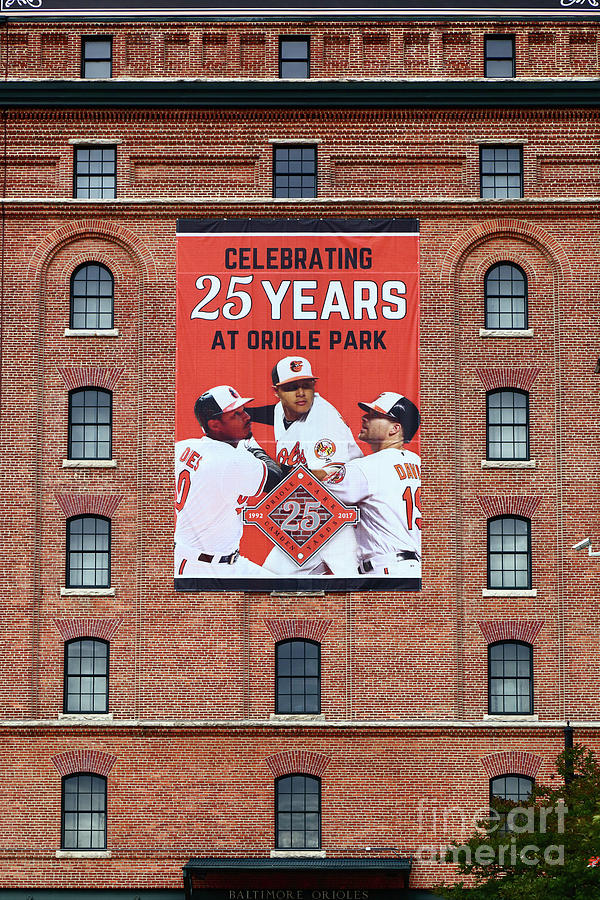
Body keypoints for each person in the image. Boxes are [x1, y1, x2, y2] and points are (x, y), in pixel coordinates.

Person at [247, 356, 363, 575]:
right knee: (270, 579)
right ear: (277, 392)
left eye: (307, 385)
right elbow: (270, 413)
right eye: (291, 387)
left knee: (360, 588)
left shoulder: (323, 420)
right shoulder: (281, 410)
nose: (301, 393)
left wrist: (264, 462)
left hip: (346, 521)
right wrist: (240, 415)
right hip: (314, 522)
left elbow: (328, 476)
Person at [174, 384, 284, 580]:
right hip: (201, 570)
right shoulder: (231, 460)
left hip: (220, 560)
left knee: (282, 590)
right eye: (236, 414)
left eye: (243, 411)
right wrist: (251, 444)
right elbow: (276, 478)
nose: (247, 417)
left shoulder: (183, 447)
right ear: (215, 424)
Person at [318, 391, 421, 580]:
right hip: (416, 570)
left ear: (395, 429)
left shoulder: (369, 466)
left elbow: (313, 489)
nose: (365, 417)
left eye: (375, 415)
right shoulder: (421, 463)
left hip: (388, 570)